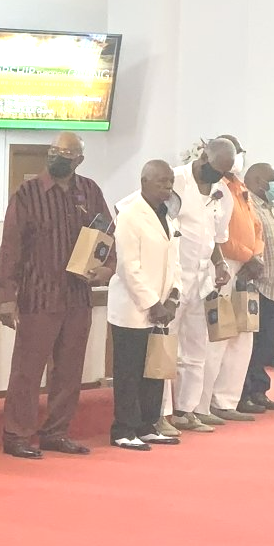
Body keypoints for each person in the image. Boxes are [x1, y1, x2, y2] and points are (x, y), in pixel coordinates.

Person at [0, 132, 114, 459]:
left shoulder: (89, 192)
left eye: (66, 153)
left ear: (79, 160)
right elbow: (11, 248)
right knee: (27, 371)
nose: (57, 157)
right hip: (38, 297)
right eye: (53, 151)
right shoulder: (28, 193)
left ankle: (56, 432)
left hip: (77, 297)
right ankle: (17, 435)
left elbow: (106, 234)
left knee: (69, 370)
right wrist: (7, 295)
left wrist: (106, 269)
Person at [107, 160, 182, 451]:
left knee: (154, 370)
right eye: (162, 181)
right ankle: (124, 429)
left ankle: (148, 425)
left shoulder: (168, 215)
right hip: (133, 309)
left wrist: (174, 296)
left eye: (171, 182)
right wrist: (152, 302)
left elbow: (175, 261)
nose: (168, 187)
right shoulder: (129, 216)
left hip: (162, 307)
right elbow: (128, 267)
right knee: (130, 371)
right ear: (144, 181)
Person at [168, 138, 237, 433]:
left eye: (224, 171)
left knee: (196, 350)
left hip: (202, 280)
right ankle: (163, 414)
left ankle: (188, 410)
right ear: (203, 157)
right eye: (216, 168)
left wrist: (220, 264)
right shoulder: (175, 180)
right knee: (165, 348)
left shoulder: (223, 193)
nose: (218, 176)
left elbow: (217, 237)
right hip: (173, 279)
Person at [207, 135, 265, 424]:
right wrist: (246, 255)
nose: (238, 157)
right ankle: (209, 401)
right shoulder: (217, 187)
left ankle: (228, 399)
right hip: (226, 263)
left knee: (243, 336)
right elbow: (220, 235)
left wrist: (257, 254)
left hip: (247, 265)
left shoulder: (240, 186)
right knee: (221, 334)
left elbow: (256, 226)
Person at [240, 161, 274, 413]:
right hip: (257, 287)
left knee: (267, 345)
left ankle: (260, 390)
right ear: (259, 181)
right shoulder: (249, 205)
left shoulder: (268, 206)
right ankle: (246, 392)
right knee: (254, 344)